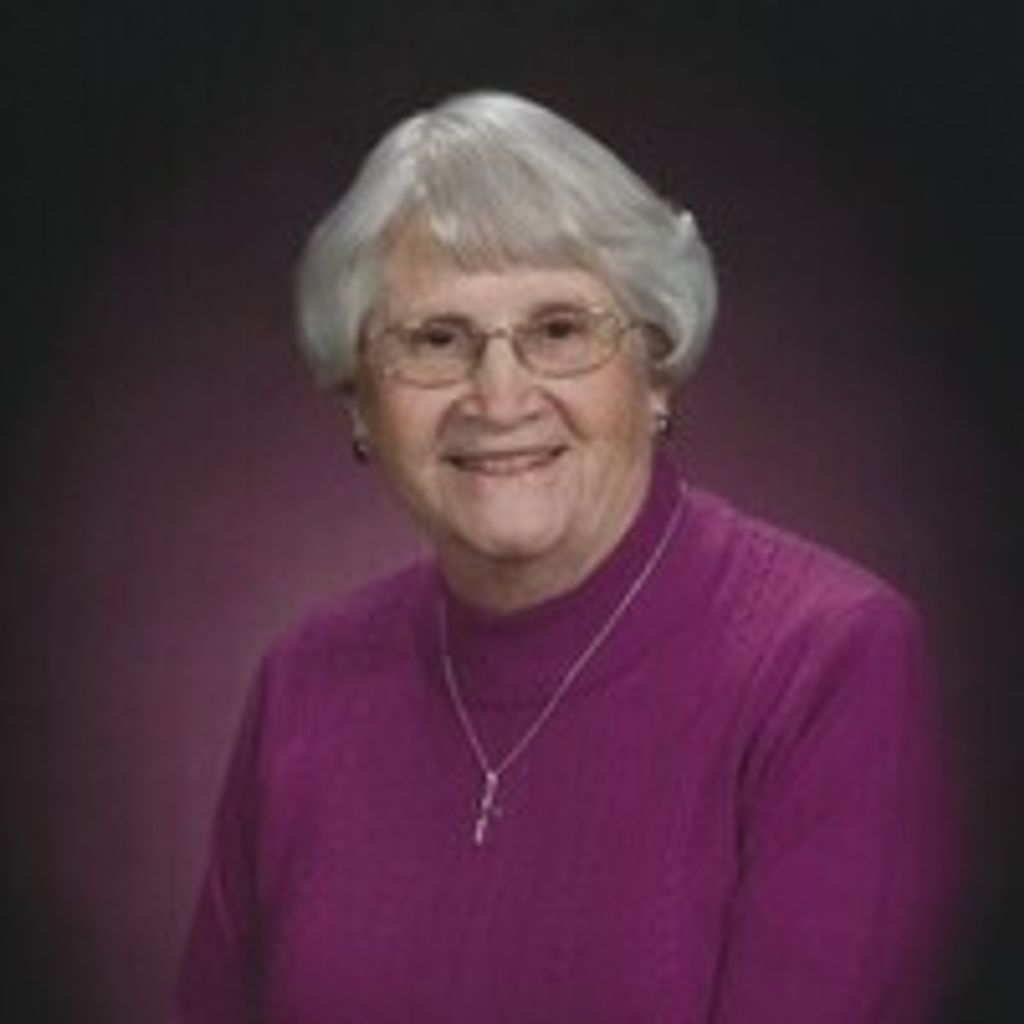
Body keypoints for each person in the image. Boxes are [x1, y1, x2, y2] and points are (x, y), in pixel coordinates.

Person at [177, 91, 960, 1023]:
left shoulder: (827, 661)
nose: (500, 398)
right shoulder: (304, 683)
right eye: (436, 339)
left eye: (558, 330)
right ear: (358, 402)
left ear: (656, 369)